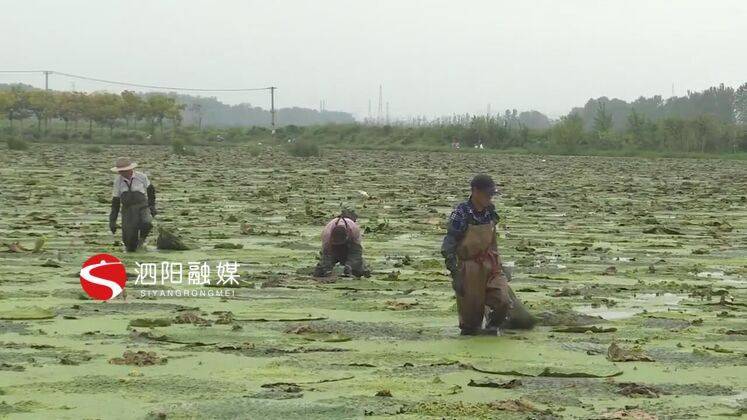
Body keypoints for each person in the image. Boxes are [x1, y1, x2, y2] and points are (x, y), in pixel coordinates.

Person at [441, 174, 512, 335]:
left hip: (490, 264)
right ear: (475, 191)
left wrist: (501, 264)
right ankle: (472, 339)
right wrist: (455, 274)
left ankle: (492, 328)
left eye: (492, 194)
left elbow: (493, 241)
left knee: (503, 300)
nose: (490, 198)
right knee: (470, 322)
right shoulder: (461, 213)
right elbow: (448, 245)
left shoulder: (490, 212)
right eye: (487, 194)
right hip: (469, 267)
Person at [109, 157, 157, 252]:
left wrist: (152, 206)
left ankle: (142, 241)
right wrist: (112, 221)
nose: (122, 173)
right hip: (127, 209)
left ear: (131, 169)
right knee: (129, 240)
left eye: (124, 171)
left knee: (147, 222)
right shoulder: (118, 181)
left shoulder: (141, 176)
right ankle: (132, 247)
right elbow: (115, 202)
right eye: (120, 171)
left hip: (142, 205)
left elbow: (151, 190)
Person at [314, 210, 370, 278]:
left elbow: (356, 252)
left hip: (349, 246)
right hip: (332, 248)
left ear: (347, 236)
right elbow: (326, 254)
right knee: (321, 270)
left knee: (357, 269)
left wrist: (350, 265)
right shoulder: (326, 234)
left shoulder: (354, 230)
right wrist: (327, 271)